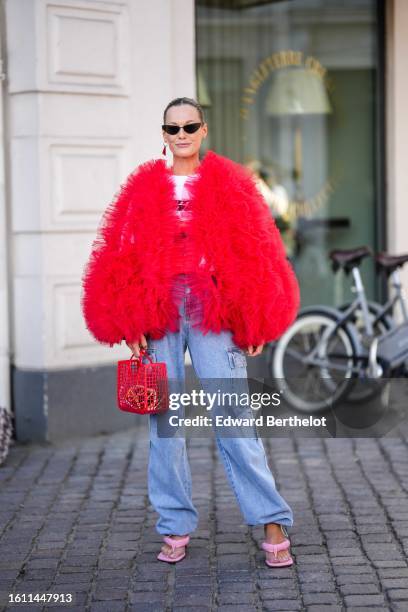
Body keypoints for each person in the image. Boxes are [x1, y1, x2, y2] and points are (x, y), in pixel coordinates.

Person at [81, 96, 300, 568]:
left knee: (233, 415)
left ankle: (271, 519)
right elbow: (122, 251)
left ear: (204, 131)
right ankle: (175, 525)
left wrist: (254, 315)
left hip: (212, 306)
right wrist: (127, 318)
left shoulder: (229, 183)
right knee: (164, 423)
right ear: (163, 134)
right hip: (157, 308)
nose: (181, 135)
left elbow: (257, 249)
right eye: (172, 128)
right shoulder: (143, 187)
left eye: (189, 126)